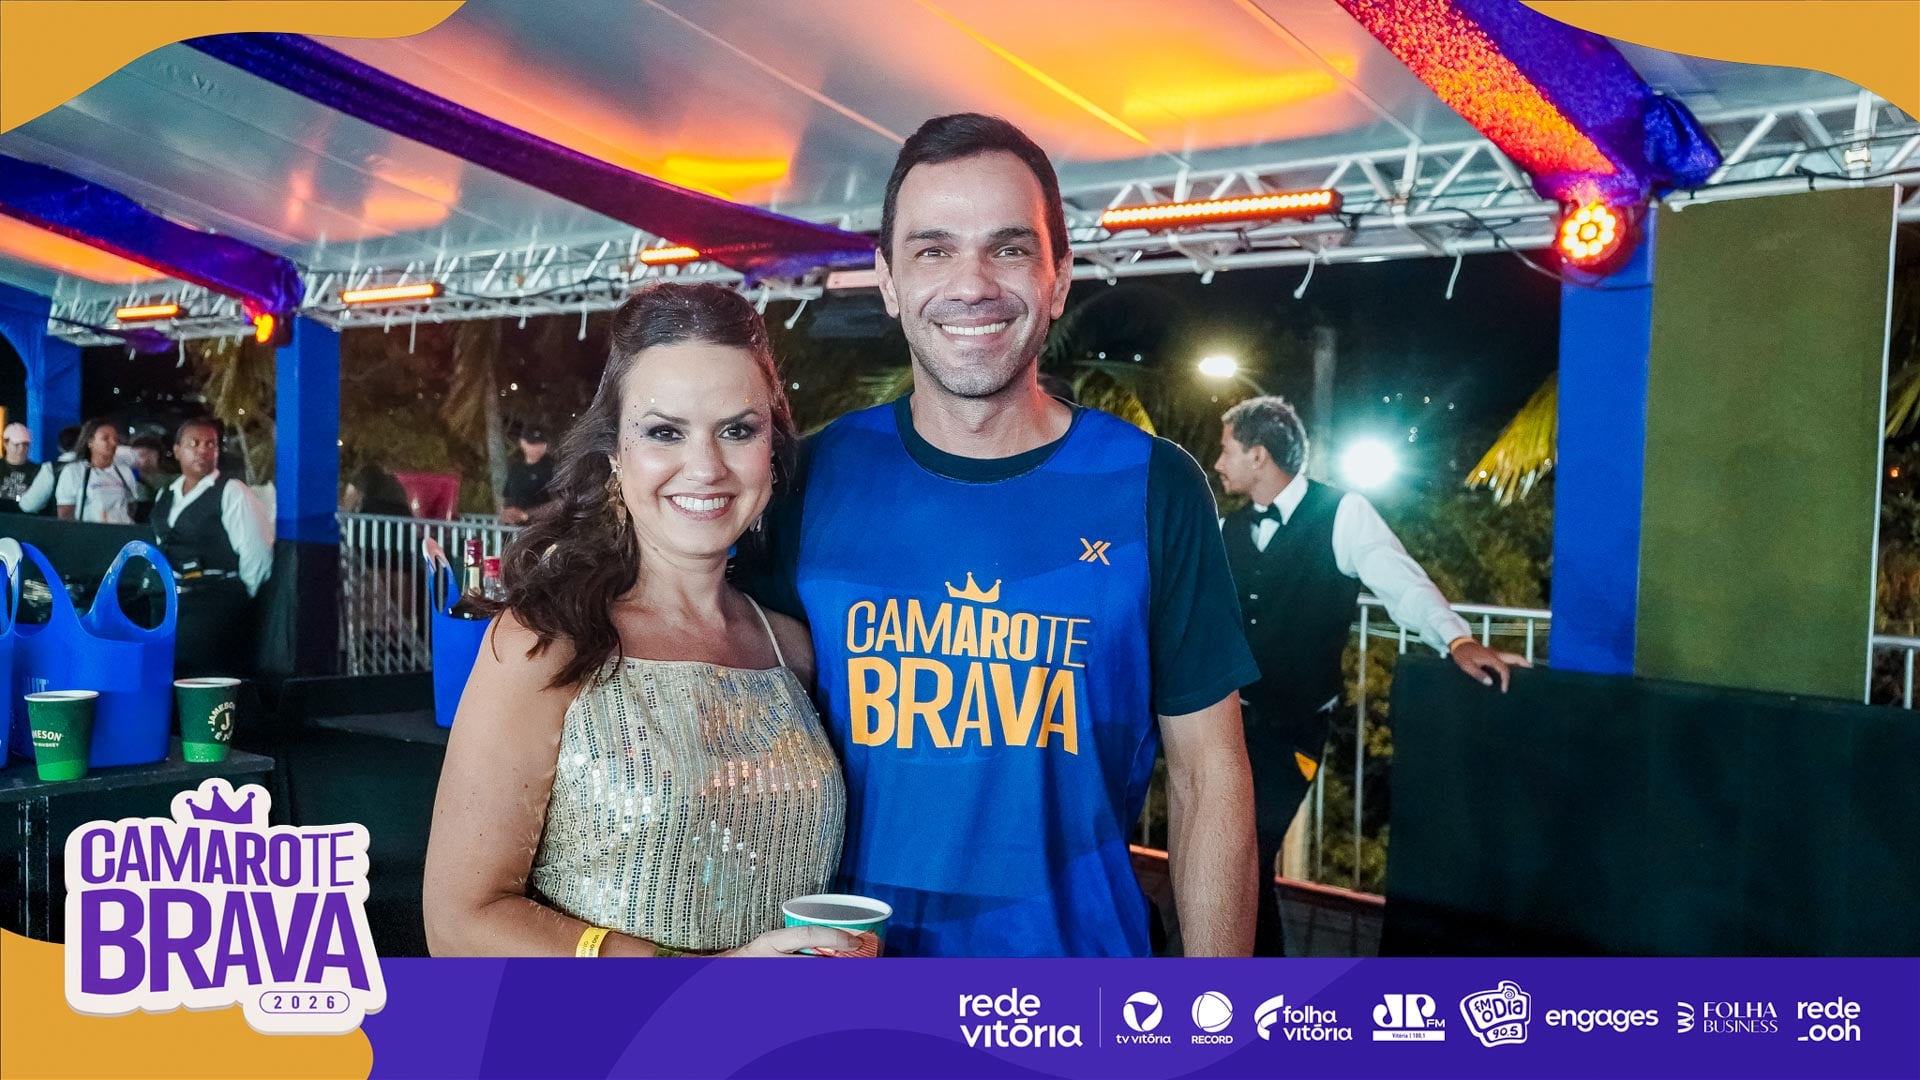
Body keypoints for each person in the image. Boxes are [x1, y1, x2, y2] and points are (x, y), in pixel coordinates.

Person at [748, 114, 1260, 957]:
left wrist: (1216, 1013)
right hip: (851, 988)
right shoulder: (806, 479)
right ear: (888, 281)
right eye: (933, 250)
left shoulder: (1151, 484)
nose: (972, 284)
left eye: (1010, 248)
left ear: (1059, 278)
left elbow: (1210, 780)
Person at [423, 283, 862, 960]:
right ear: (615, 454)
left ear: (772, 452)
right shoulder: (546, 641)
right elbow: (459, 922)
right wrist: (699, 984)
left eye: (737, 430)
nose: (705, 467)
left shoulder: (793, 649)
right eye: (664, 432)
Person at [1212, 395, 1529, 956]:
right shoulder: (1226, 528)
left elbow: (1400, 581)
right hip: (1225, 726)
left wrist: (1456, 639)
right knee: (1236, 857)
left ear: (1259, 456)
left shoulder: (1342, 513)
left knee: (1248, 851)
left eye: (1226, 450)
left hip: (1292, 729)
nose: (1218, 463)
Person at [152, 417, 274, 677]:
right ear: (177, 451)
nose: (203, 450)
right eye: (194, 443)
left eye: (211, 444)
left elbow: (257, 553)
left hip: (215, 604)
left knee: (206, 680)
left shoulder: (232, 492)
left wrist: (236, 596)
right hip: (171, 604)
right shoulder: (166, 494)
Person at [55, 419, 139, 524]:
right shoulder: (73, 471)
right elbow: (65, 514)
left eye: (115, 439)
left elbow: (131, 504)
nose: (113, 443)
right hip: (90, 532)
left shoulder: (125, 472)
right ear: (90, 442)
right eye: (105, 438)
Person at [17, 423, 79, 515]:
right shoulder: (93, 467)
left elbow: (29, 505)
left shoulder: (51, 468)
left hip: (57, 523)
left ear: (60, 446)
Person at [498, 426, 554, 524]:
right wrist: (506, 512)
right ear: (523, 443)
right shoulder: (515, 468)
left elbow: (560, 503)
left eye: (541, 443)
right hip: (514, 528)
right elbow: (507, 495)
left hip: (542, 527)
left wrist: (526, 516)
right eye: (532, 443)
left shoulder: (554, 468)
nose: (537, 448)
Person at [0, 423, 36, 512]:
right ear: (5, 444)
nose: (21, 449)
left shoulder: (38, 471)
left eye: (25, 445)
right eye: (16, 445)